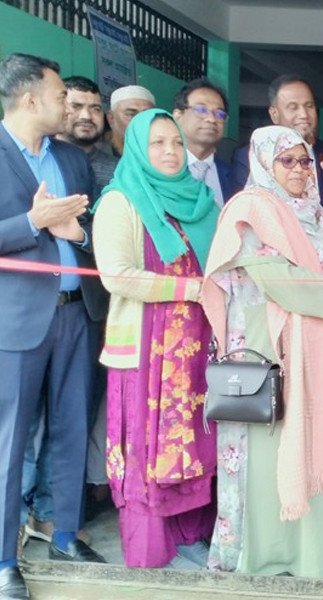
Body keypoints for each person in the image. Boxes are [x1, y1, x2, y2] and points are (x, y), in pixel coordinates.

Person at [203, 125, 323, 577]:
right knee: (270, 444)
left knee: (313, 433)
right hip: (267, 346)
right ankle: (268, 554)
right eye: (286, 161)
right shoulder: (251, 209)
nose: (299, 170)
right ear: (263, 162)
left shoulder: (317, 213)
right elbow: (276, 279)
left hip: (315, 339)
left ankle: (313, 550)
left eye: (304, 161)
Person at [0, 53, 108, 600]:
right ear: (29, 98)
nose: (69, 104)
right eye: (61, 95)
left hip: (76, 312)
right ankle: (3, 560)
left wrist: (78, 234)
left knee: (71, 427)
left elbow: (86, 227)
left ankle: (64, 532)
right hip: (17, 320)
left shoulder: (69, 158)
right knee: (9, 441)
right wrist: (32, 222)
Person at [92, 108, 220, 568]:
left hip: (198, 345)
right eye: (157, 143)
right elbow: (117, 275)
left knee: (196, 438)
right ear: (136, 148)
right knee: (149, 444)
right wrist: (190, 289)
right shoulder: (120, 200)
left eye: (176, 143)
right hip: (146, 347)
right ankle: (152, 543)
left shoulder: (201, 199)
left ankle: (191, 532)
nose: (170, 152)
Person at [232, 75, 323, 211]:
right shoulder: (252, 157)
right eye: (293, 107)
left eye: (309, 106)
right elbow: (245, 210)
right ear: (274, 114)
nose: (304, 114)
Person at [172, 78, 235, 205]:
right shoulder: (161, 168)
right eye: (201, 110)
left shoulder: (233, 177)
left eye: (219, 114)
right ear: (178, 116)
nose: (211, 119)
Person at [58, 76, 118, 191]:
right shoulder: (39, 159)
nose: (86, 116)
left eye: (95, 109)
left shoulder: (120, 170)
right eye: (76, 107)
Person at [107, 85, 155, 157]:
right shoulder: (96, 156)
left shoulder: (161, 155)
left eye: (146, 115)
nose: (140, 122)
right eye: (131, 114)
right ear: (111, 118)